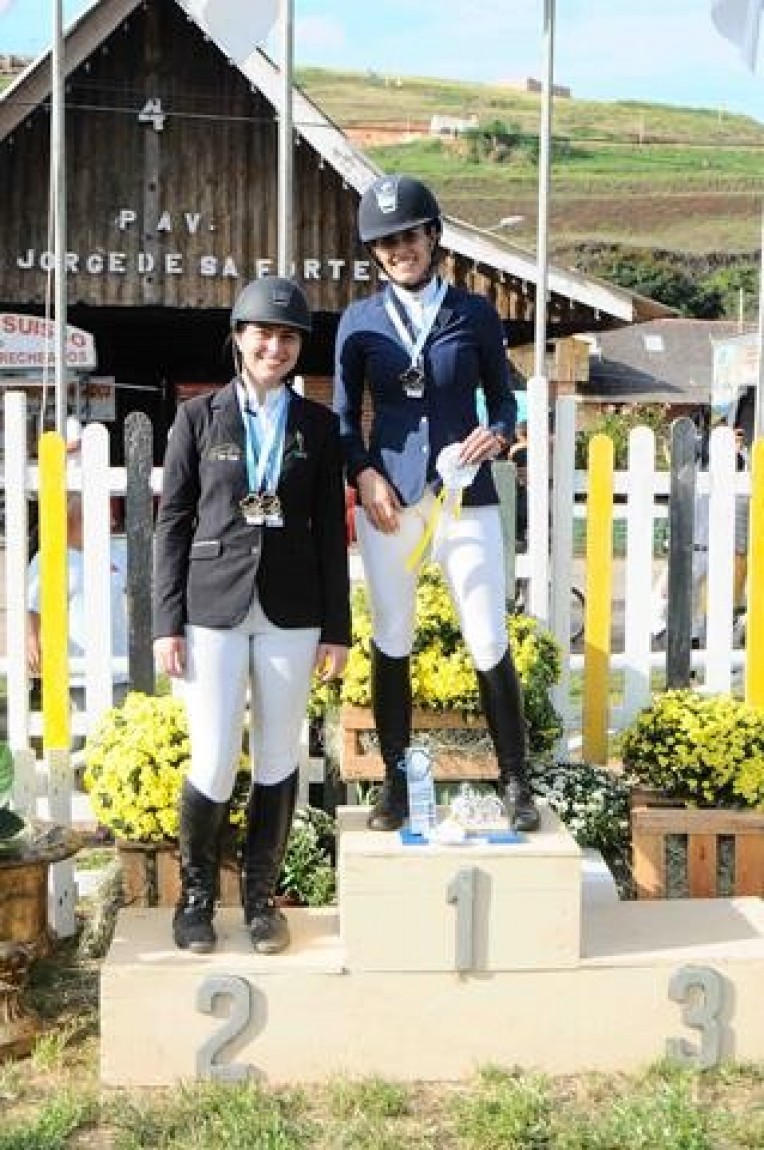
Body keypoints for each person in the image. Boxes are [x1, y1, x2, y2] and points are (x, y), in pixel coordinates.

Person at [333, 173, 539, 834]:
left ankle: (515, 780)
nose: (400, 250)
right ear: (376, 253)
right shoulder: (359, 322)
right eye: (386, 243)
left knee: (488, 634)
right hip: (391, 501)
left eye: (409, 236)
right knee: (392, 635)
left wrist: (498, 433)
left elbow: (502, 401)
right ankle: (394, 783)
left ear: (432, 236)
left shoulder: (474, 313)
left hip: (465, 494)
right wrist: (364, 474)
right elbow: (345, 417)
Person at [153, 277, 351, 956]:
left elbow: (331, 533)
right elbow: (173, 523)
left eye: (288, 337)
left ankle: (262, 900)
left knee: (276, 755)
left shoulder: (318, 426)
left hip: (293, 610)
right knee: (212, 757)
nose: (276, 347)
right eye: (264, 333)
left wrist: (337, 629)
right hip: (212, 605)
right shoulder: (197, 418)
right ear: (239, 338)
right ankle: (197, 898)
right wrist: (165, 623)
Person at [27, 418, 130, 750]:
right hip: (74, 670)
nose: (109, 520)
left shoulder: (118, 554)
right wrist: (32, 640)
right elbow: (33, 606)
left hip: (119, 666)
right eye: (97, 514)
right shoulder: (51, 557)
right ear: (72, 519)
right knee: (74, 744)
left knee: (117, 745)